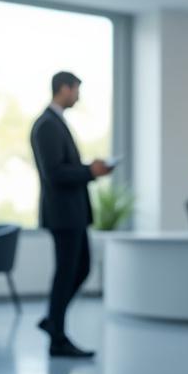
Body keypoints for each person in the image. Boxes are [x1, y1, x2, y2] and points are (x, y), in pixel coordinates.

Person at [30, 71, 111, 358]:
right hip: (63, 215)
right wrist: (91, 171)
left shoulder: (56, 123)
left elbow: (64, 167)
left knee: (79, 268)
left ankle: (54, 322)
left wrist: (91, 169)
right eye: (76, 90)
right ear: (64, 88)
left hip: (72, 214)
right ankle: (57, 337)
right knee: (67, 273)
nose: (78, 96)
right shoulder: (47, 126)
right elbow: (54, 174)